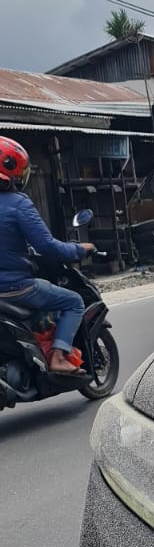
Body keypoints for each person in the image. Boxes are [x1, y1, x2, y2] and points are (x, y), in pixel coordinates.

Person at [0, 137, 95, 375]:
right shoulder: (18, 204)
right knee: (74, 301)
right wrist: (79, 249)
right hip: (16, 288)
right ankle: (59, 358)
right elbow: (47, 247)